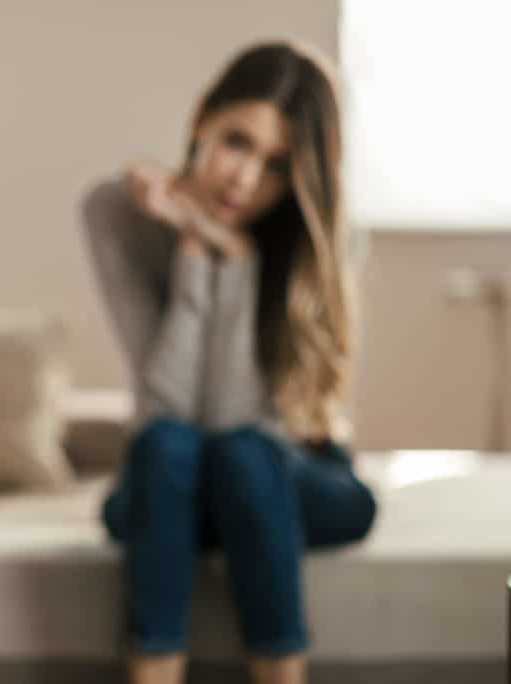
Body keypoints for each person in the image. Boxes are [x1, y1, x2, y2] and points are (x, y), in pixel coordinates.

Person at [82, 42, 377, 684]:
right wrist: (196, 252)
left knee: (241, 453)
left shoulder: (321, 239)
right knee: (165, 445)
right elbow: (174, 409)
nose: (245, 180)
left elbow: (233, 417)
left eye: (276, 165)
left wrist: (234, 258)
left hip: (294, 469)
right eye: (237, 142)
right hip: (176, 472)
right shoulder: (115, 211)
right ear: (200, 121)